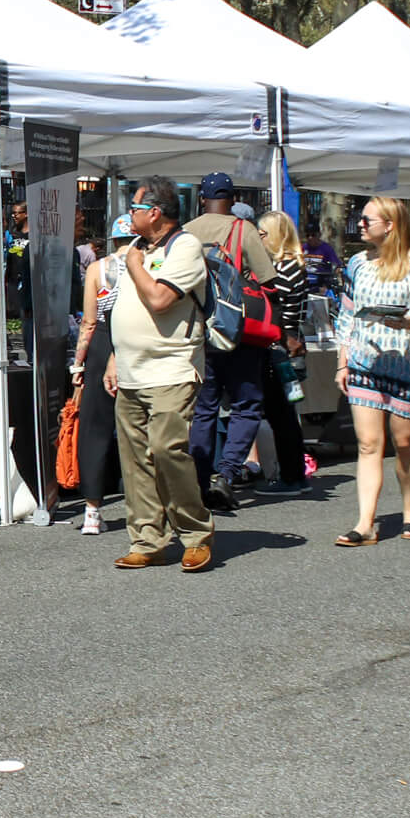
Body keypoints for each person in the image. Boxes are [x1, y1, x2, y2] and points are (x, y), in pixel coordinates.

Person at [106, 177, 215, 572]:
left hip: (170, 368)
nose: (128, 215)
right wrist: (114, 357)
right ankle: (147, 538)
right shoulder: (138, 247)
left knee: (168, 450)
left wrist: (134, 265)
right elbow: (125, 307)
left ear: (154, 212)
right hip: (131, 369)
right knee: (135, 459)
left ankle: (195, 532)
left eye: (134, 208)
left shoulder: (184, 247)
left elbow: (160, 299)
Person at [332, 197, 410, 547]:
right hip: (366, 362)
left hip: (406, 365)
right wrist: (343, 361)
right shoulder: (356, 263)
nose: (360, 225)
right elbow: (346, 315)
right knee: (368, 444)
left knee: (406, 442)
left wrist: (409, 320)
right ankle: (365, 522)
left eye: (367, 220)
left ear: (390, 225)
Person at [184, 173, 283, 507]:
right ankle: (225, 475)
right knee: (246, 405)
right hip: (238, 333)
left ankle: (198, 481)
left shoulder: (186, 232)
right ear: (233, 197)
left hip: (199, 333)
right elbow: (268, 279)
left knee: (203, 408)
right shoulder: (244, 229)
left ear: (202, 198)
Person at [68, 213, 133, 536]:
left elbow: (88, 322)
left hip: (102, 342)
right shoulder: (146, 264)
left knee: (94, 427)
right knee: (137, 426)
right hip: (136, 339)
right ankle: (143, 504)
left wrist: (78, 363)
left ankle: (92, 511)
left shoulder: (97, 268)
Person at [253, 209, 313, 490]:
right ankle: (290, 471)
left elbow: (281, 311)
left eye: (262, 234)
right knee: (283, 413)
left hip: (280, 346)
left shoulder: (284, 269)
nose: (258, 239)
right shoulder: (293, 265)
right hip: (286, 343)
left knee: (282, 414)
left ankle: (292, 474)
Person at [301, 219, 343, 293]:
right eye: (308, 235)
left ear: (319, 235)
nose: (310, 238)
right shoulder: (303, 248)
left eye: (313, 235)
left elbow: (337, 266)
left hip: (321, 283)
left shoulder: (326, 249)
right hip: (305, 282)